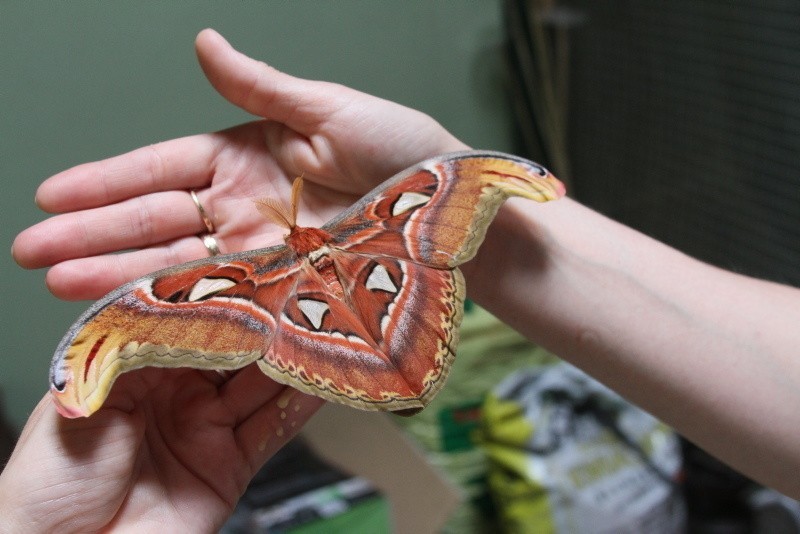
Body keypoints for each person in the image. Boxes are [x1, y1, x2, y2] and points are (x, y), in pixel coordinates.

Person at [4, 28, 800, 530]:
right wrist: (110, 340)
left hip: (330, 292)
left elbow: (454, 180)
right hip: (339, 288)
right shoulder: (353, 229)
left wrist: (478, 177)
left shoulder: (350, 222)